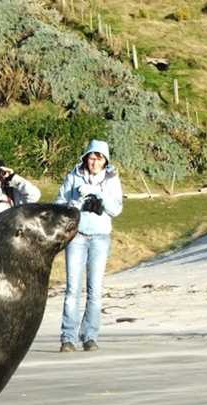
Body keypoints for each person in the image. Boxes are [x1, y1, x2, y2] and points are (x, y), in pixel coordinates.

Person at [56, 140, 124, 353]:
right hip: (77, 236)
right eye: (91, 157)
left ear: (105, 161)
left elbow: (116, 209)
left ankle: (90, 336)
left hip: (100, 238)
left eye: (99, 158)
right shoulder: (73, 176)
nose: (94, 162)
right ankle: (68, 337)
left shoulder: (112, 180)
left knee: (95, 290)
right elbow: (59, 203)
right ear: (85, 157)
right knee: (72, 289)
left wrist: (100, 197)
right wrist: (76, 204)